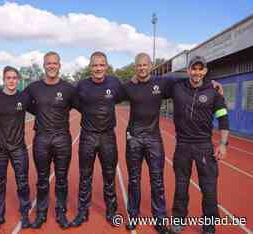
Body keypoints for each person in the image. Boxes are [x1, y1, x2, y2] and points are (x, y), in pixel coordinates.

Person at [169, 56, 229, 234]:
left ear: (205, 71)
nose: (196, 72)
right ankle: (179, 221)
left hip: (204, 146)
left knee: (209, 188)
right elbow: (154, 82)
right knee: (181, 186)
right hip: (182, 146)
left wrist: (223, 144)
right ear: (188, 70)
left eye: (200, 69)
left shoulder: (214, 92)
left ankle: (209, 225)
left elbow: (223, 119)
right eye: (193, 69)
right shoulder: (177, 87)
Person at [119, 52, 177, 233]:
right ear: (135, 67)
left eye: (145, 65)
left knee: (157, 181)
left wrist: (210, 83)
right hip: (134, 138)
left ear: (151, 66)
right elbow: (107, 91)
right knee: (134, 180)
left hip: (154, 139)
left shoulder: (162, 83)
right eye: (138, 66)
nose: (142, 68)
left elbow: (187, 81)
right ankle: (133, 216)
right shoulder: (128, 86)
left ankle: (159, 220)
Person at [25, 52, 78, 229]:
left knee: (61, 178)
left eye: (55, 63)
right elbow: (18, 100)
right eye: (48, 63)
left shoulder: (69, 89)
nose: (52, 66)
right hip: (41, 138)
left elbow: (84, 105)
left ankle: (61, 212)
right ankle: (41, 213)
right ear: (44, 65)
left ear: (59, 65)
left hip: (62, 138)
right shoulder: (33, 88)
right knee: (42, 178)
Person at [71, 51, 121, 227]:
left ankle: (111, 211)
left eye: (101, 65)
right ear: (90, 67)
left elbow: (126, 95)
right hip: (88, 137)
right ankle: (82, 213)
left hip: (108, 136)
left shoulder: (115, 83)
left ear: (106, 66)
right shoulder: (81, 85)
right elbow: (72, 101)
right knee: (85, 176)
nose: (98, 68)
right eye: (95, 65)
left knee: (109, 176)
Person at [0, 66, 32, 230]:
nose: (11, 81)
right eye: (8, 78)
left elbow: (43, 106)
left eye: (14, 78)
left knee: (22, 182)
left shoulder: (24, 98)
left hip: (18, 148)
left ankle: (25, 215)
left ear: (18, 80)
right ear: (3, 79)